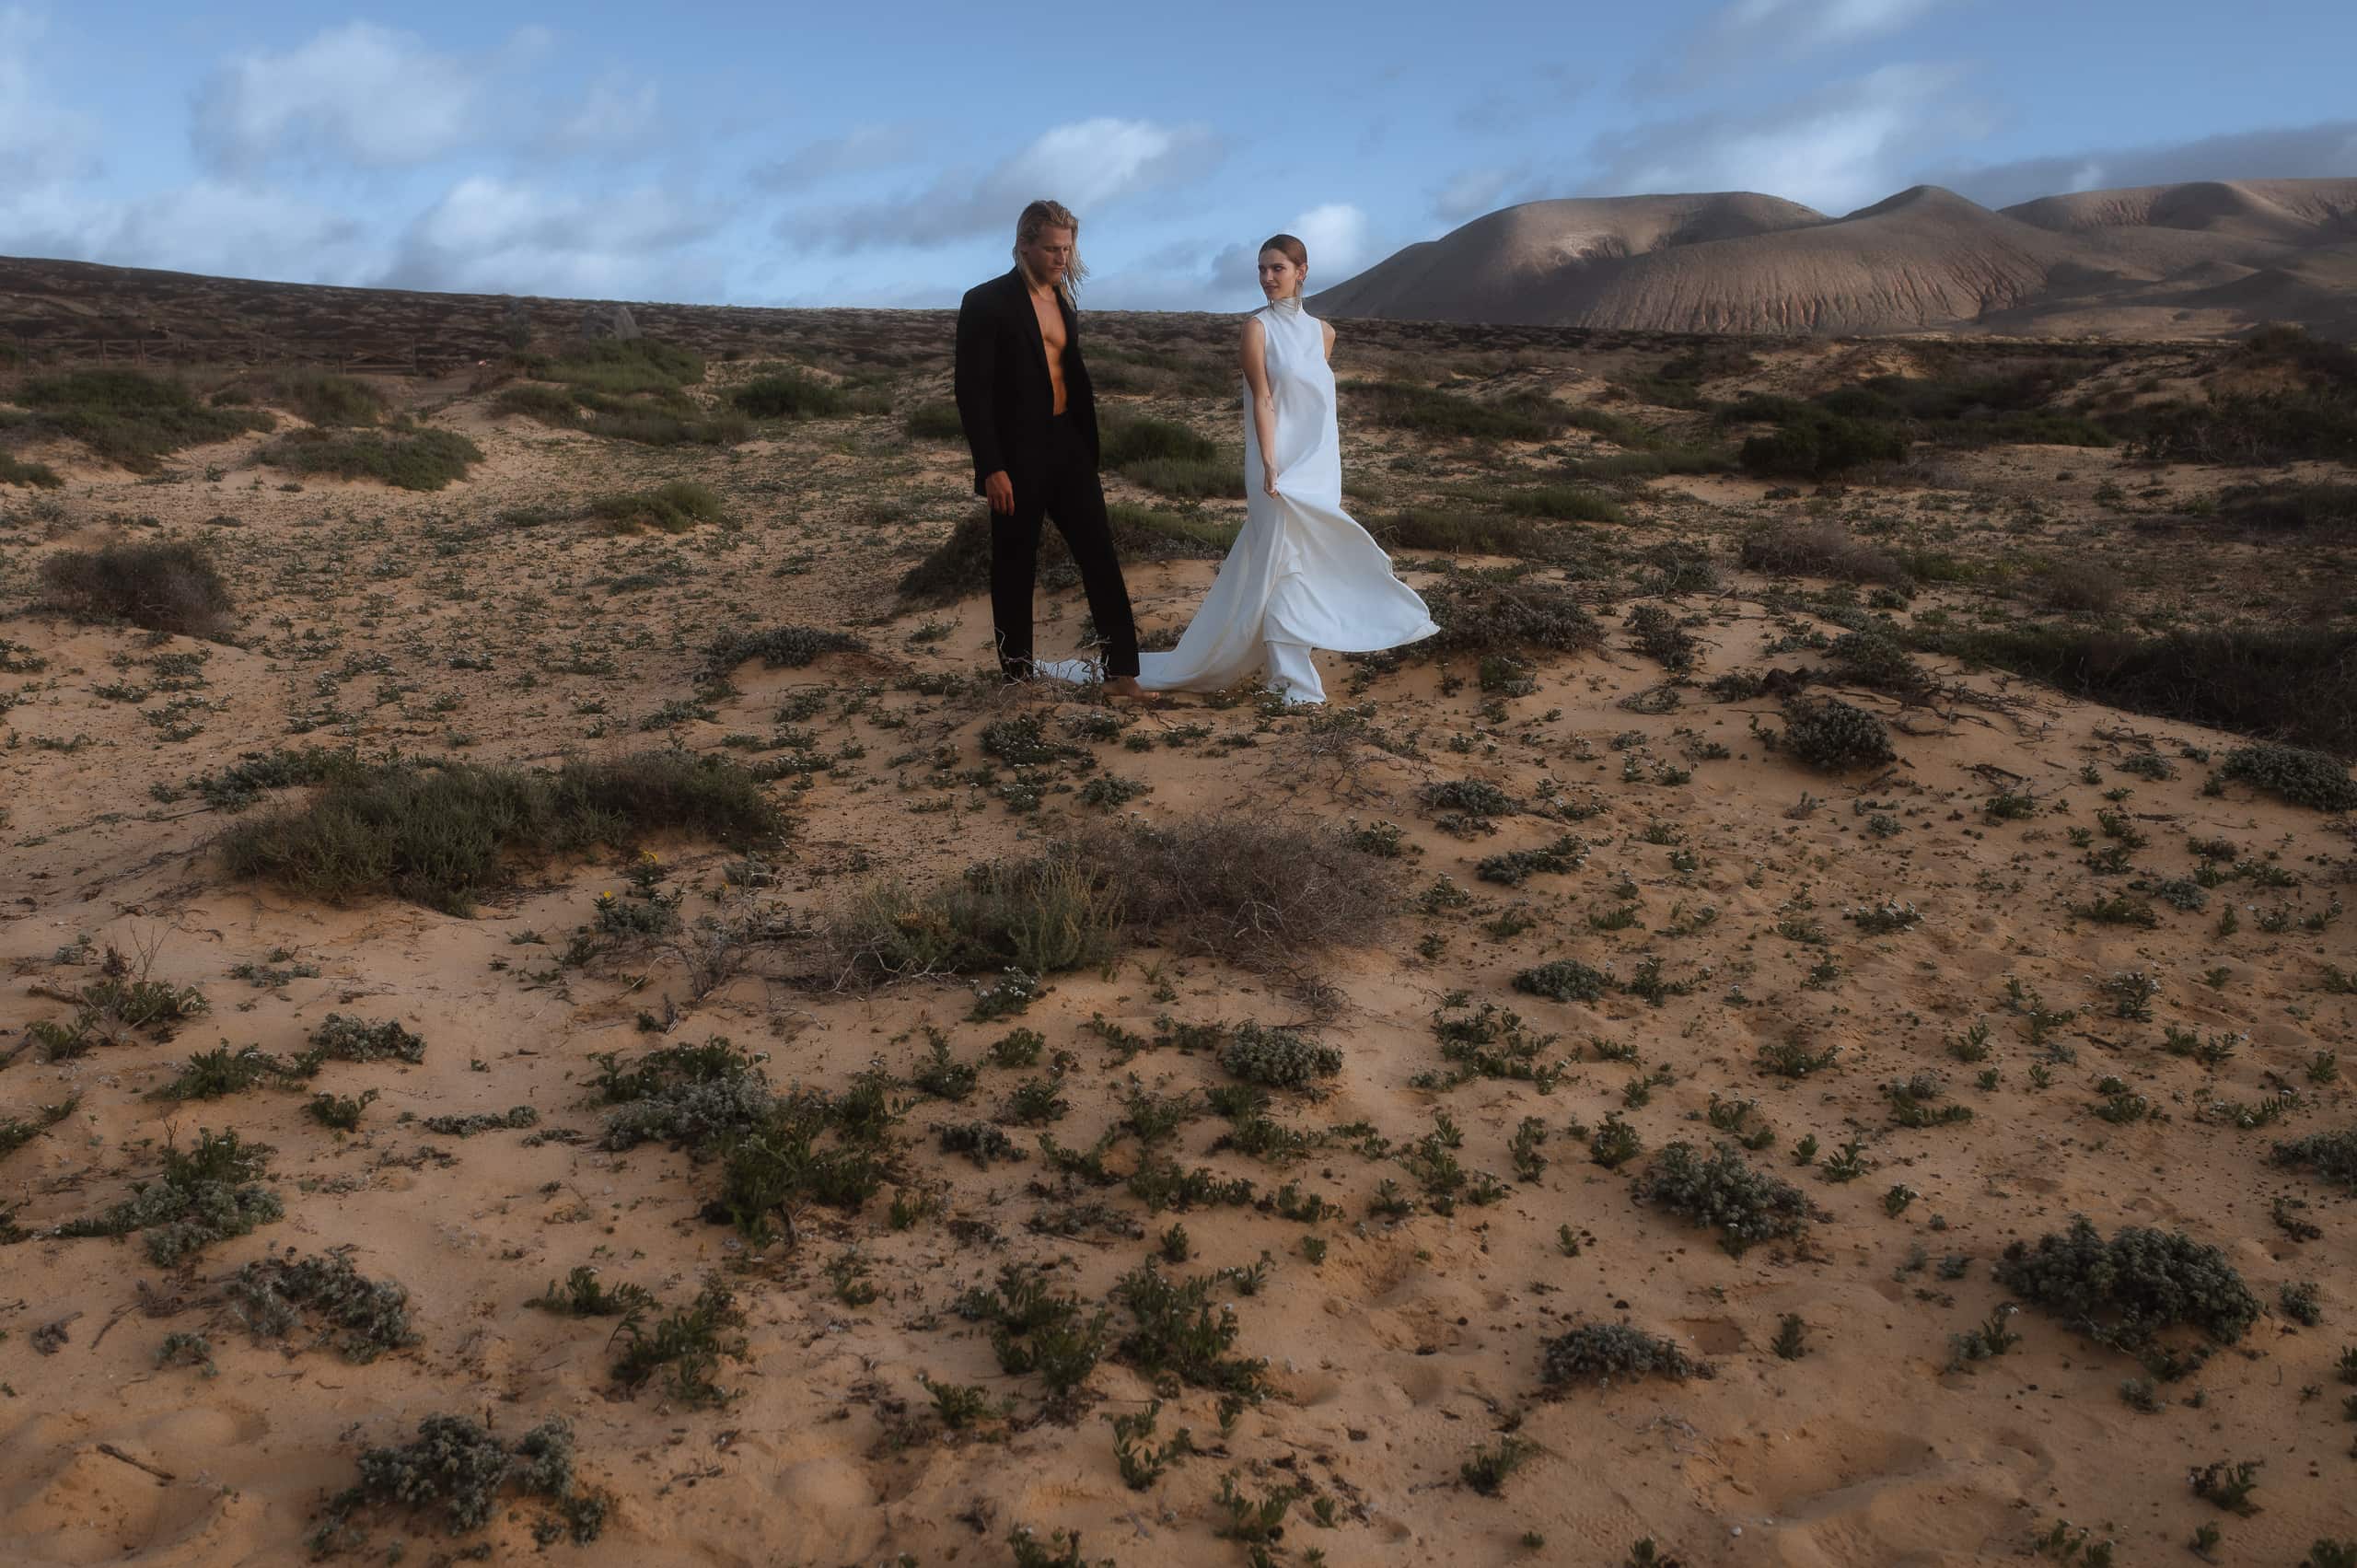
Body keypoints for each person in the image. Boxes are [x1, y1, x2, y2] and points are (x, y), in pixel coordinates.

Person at [1132, 233, 1436, 705]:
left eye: (1277, 268)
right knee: (1282, 563)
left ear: (1302, 271)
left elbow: (1310, 404)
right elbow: (1264, 398)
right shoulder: (1257, 328)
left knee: (1304, 563)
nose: (1267, 278)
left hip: (1317, 470)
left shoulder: (1323, 334)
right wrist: (1270, 464)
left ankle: (1289, 672)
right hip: (1275, 468)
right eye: (1261, 270)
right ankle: (1293, 681)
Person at [953, 199, 1144, 695]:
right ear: (1024, 245)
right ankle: (1017, 678)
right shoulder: (986, 301)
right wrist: (991, 467)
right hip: (1016, 454)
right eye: (1052, 249)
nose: (1062, 258)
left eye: (1067, 248)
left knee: (1100, 554)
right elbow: (972, 394)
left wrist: (1084, 445)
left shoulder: (1064, 300)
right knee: (1015, 564)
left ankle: (1122, 674)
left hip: (1067, 445)